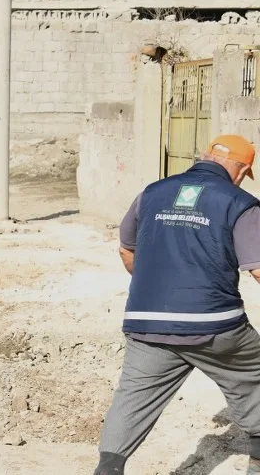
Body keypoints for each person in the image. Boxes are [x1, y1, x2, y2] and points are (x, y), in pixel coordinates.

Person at [95, 135, 260, 475]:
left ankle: (109, 467)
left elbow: (126, 250)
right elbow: (257, 268)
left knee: (133, 396)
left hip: (145, 321)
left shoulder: (152, 192)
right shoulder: (240, 202)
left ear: (204, 156)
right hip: (214, 325)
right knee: (253, 374)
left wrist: (160, 293)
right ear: (243, 170)